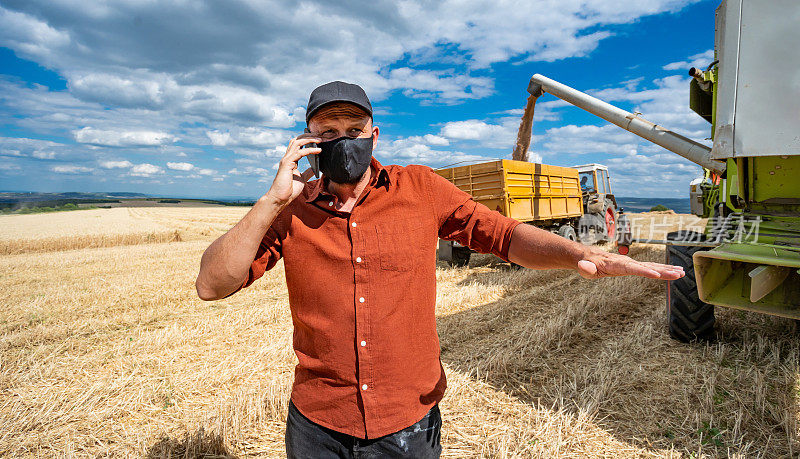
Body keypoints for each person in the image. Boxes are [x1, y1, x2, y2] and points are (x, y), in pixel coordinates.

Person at [195, 81, 684, 458]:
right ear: (308, 142)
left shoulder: (421, 189)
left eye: (353, 131)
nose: (343, 141)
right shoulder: (290, 212)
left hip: (407, 422)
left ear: (374, 134)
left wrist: (583, 254)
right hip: (318, 424)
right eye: (328, 133)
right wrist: (274, 198)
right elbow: (212, 285)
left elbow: (501, 234)